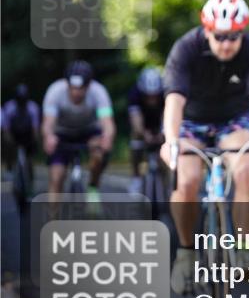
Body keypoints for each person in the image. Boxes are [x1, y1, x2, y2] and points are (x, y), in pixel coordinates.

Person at [160, 0, 249, 295]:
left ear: (243, 32)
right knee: (185, 180)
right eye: (220, 36)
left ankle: (242, 249)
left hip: (234, 120)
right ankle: (186, 254)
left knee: (246, 167)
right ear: (207, 31)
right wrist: (171, 140)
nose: (227, 44)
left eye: (234, 36)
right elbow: (174, 100)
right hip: (192, 119)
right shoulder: (186, 48)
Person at [41, 61, 116, 201]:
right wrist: (48, 136)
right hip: (62, 133)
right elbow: (48, 123)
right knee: (56, 177)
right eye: (73, 88)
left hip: (89, 131)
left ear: (88, 85)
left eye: (81, 88)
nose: (76, 92)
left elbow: (107, 123)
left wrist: (107, 137)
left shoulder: (99, 92)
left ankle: (93, 186)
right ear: (67, 83)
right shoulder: (55, 91)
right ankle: (53, 219)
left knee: (98, 155)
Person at [127, 67, 166, 195]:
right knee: (135, 140)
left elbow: (168, 115)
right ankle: (136, 177)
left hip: (160, 123)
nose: (152, 100)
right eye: (148, 96)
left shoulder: (166, 93)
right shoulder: (134, 94)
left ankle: (167, 183)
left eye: (155, 96)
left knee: (168, 147)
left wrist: (164, 133)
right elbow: (135, 119)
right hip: (143, 123)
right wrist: (143, 134)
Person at [2, 84, 41, 182]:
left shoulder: (33, 108)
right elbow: (6, 127)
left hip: (27, 135)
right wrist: (9, 140)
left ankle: (30, 177)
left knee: (30, 157)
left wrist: (34, 140)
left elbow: (35, 128)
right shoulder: (9, 107)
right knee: (7, 147)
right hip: (14, 134)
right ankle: (9, 168)